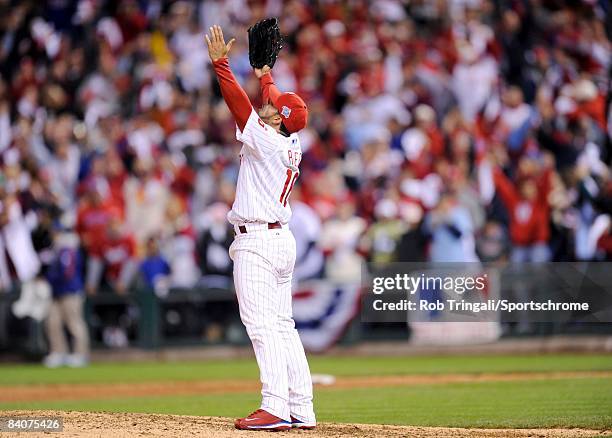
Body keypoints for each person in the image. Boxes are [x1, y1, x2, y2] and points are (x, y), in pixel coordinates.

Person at [205, 25, 315, 431]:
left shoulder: (266, 140)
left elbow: (239, 105)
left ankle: (275, 406)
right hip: (279, 240)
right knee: (283, 325)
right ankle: (301, 405)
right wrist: (265, 73)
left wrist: (222, 65)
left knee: (262, 325)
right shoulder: (291, 140)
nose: (266, 106)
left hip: (257, 243)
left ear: (279, 120)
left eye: (273, 108)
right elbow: (275, 102)